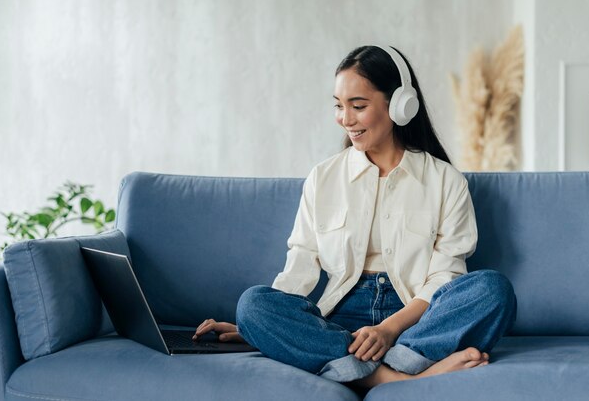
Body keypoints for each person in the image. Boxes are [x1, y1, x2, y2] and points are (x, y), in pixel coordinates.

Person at [193, 45, 517, 388]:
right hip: (341, 322)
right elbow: (301, 261)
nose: (345, 119)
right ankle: (397, 377)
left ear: (399, 105)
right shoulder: (323, 177)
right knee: (253, 304)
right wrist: (259, 326)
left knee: (493, 290)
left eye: (358, 106)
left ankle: (361, 367)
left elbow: (445, 276)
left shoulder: (444, 181)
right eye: (338, 105)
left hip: (414, 319)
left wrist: (389, 329)